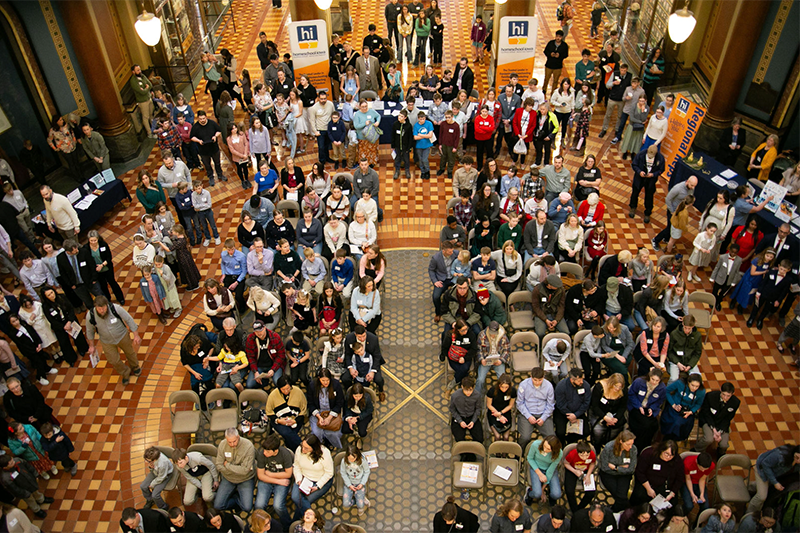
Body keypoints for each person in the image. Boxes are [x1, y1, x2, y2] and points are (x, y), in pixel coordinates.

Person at [85, 296, 142, 385]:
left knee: (130, 352)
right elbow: (89, 330)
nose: (102, 310)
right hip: (106, 341)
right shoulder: (90, 315)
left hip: (122, 336)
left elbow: (129, 319)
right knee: (113, 360)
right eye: (99, 309)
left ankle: (135, 366)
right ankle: (125, 372)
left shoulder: (116, 308)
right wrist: (91, 346)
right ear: (95, 307)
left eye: (104, 307)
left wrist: (136, 335)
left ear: (107, 305)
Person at [291, 434, 334, 519]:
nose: (303, 450)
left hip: (320, 480)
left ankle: (295, 522)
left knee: (304, 502)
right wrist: (299, 479)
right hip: (304, 478)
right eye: (303, 446)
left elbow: (329, 473)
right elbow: (296, 466)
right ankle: (311, 519)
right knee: (295, 497)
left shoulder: (325, 453)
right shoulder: (299, 450)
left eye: (306, 448)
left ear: (314, 448)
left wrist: (317, 486)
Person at [748, 444, 800, 513]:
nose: (798, 461)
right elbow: (765, 464)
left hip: (774, 473)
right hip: (762, 470)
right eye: (797, 457)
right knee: (761, 497)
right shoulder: (779, 455)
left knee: (762, 486)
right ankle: (749, 515)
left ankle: (747, 488)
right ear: (794, 452)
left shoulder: (796, 461)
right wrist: (775, 482)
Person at [213, 428, 255, 512]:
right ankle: (236, 499)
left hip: (245, 479)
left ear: (238, 437)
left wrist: (227, 465)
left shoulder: (248, 446)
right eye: (229, 442)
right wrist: (236, 469)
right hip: (228, 478)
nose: (232, 444)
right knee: (217, 506)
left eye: (234, 441)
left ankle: (236, 497)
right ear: (226, 439)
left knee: (247, 508)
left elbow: (245, 471)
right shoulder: (222, 444)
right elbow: (218, 465)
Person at [631, 439, 683, 506]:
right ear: (661, 450)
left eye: (671, 455)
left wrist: (672, 493)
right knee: (640, 497)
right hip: (646, 484)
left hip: (666, 487)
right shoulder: (649, 454)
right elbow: (640, 472)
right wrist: (649, 489)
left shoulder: (677, 460)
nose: (668, 457)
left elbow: (679, 478)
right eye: (666, 454)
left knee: (672, 504)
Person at [0, 455, 54, 520]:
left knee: (36, 492)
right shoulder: (6, 478)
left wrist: (35, 474)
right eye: (11, 463)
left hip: (31, 483)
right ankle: (36, 510)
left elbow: (28, 466)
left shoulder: (17, 460)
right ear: (4, 467)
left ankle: (41, 499)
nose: (13, 462)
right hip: (24, 491)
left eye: (12, 460)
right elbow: (15, 489)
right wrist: (25, 493)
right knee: (30, 500)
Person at [597, 430, 637, 512]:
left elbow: (631, 469)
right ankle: (629, 511)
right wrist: (623, 468)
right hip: (608, 475)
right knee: (622, 497)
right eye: (628, 444)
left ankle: (613, 511)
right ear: (621, 441)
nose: (630, 447)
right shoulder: (608, 448)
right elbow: (604, 467)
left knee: (621, 497)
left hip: (624, 475)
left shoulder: (633, 449)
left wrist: (616, 468)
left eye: (632, 444)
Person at [653, 176, 698, 249]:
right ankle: (655, 240)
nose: (693, 188)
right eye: (692, 185)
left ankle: (666, 239)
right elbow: (668, 199)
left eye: (694, 186)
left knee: (671, 227)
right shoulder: (678, 188)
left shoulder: (691, 188)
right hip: (673, 211)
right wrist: (672, 211)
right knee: (669, 227)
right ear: (687, 182)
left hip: (680, 211)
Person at [628, 368, 667, 450]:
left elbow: (660, 401)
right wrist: (639, 406)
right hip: (636, 407)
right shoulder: (639, 382)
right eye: (653, 379)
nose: (654, 382)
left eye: (657, 380)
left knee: (654, 426)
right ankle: (639, 446)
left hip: (649, 408)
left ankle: (646, 446)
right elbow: (631, 394)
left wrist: (652, 408)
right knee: (644, 426)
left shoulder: (662, 388)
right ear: (649, 376)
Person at [748, 258, 793, 329]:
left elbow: (784, 292)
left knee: (766, 309)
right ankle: (751, 318)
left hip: (773, 297)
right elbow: (763, 283)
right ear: (778, 266)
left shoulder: (788, 280)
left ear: (788, 270)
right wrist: (758, 292)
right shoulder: (771, 272)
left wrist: (778, 300)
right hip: (763, 293)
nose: (782, 271)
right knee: (757, 306)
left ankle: (760, 320)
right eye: (781, 269)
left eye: (784, 270)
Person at [517, 367, 556, 449]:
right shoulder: (523, 385)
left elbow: (550, 405)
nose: (537, 382)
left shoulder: (549, 386)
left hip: (543, 414)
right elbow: (520, 403)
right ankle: (519, 455)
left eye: (540, 380)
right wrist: (529, 416)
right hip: (527, 413)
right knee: (525, 437)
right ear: (531, 377)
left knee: (551, 438)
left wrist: (543, 418)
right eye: (535, 380)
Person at [266, 376, 307, 451]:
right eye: (283, 389)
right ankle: (302, 447)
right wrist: (279, 421)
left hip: (296, 419)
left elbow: (303, 409)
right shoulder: (273, 395)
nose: (286, 391)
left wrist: (295, 420)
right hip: (279, 420)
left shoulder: (298, 392)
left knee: (289, 435)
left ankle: (291, 451)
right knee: (286, 433)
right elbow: (269, 412)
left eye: (288, 388)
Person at [307, 368, 344, 449]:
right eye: (323, 380)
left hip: (332, 411)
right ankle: (319, 446)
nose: (325, 382)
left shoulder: (336, 385)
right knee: (316, 433)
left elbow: (339, 403)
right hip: (318, 412)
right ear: (319, 379)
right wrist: (319, 417)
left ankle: (331, 443)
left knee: (335, 433)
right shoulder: (312, 386)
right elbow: (310, 404)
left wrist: (329, 418)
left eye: (327, 380)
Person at [661, 373, 705, 441]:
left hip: (688, 411)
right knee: (671, 422)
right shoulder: (679, 383)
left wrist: (691, 411)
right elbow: (667, 391)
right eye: (692, 385)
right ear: (688, 382)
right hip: (675, 407)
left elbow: (698, 404)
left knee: (680, 425)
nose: (694, 388)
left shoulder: (701, 391)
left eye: (697, 386)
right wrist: (673, 404)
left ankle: (673, 439)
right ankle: (667, 438)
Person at [629, 145, 666, 223]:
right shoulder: (641, 155)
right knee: (635, 193)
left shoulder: (660, 158)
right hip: (639, 178)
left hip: (651, 180)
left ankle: (648, 212)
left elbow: (661, 169)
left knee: (649, 196)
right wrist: (639, 172)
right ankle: (633, 207)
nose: (649, 157)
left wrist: (653, 174)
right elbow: (634, 165)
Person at [554, 368, 591, 445]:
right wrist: (569, 414)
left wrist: (576, 415)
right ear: (572, 380)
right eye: (579, 380)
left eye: (582, 379)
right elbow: (560, 404)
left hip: (579, 412)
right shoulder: (561, 386)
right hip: (563, 412)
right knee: (560, 432)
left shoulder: (586, 386)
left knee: (586, 432)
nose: (581, 382)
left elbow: (586, 403)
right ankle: (562, 444)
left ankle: (570, 440)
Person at [524, 435, 563, 506]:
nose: (545, 450)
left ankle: (550, 495)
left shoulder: (559, 453)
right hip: (536, 467)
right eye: (544, 446)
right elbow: (530, 458)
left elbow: (551, 470)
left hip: (550, 469)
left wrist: (543, 489)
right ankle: (529, 493)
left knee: (556, 494)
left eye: (548, 449)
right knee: (536, 493)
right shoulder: (536, 445)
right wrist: (540, 474)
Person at [191, 111, 226, 185]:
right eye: (200, 119)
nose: (202, 120)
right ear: (198, 119)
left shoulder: (212, 123)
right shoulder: (195, 127)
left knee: (217, 163)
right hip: (203, 150)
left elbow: (219, 131)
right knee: (207, 165)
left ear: (206, 117)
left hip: (214, 148)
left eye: (203, 118)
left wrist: (215, 136)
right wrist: (198, 141)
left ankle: (220, 174)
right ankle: (211, 177)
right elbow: (192, 137)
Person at [562, 440, 597, 513]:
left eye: (587, 455)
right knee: (569, 491)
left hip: (586, 470)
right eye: (582, 455)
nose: (584, 457)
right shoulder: (572, 454)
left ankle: (580, 508)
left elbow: (592, 464)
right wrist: (575, 471)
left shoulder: (592, 454)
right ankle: (574, 510)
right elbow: (566, 463)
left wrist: (588, 475)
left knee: (591, 492)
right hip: (572, 470)